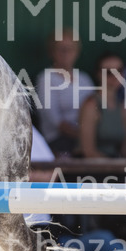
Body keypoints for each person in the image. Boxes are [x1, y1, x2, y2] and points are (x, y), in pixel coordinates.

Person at [33, 28, 94, 157]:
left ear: (77, 52)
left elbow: (96, 110)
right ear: (51, 52)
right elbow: (55, 121)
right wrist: (84, 136)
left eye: (70, 49)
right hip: (58, 142)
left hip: (86, 139)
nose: (66, 53)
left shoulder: (85, 78)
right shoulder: (46, 78)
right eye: (60, 49)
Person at [77, 52, 126, 160]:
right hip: (91, 169)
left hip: (115, 167)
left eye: (119, 71)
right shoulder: (91, 105)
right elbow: (88, 152)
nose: (115, 76)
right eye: (108, 72)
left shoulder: (122, 107)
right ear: (98, 74)